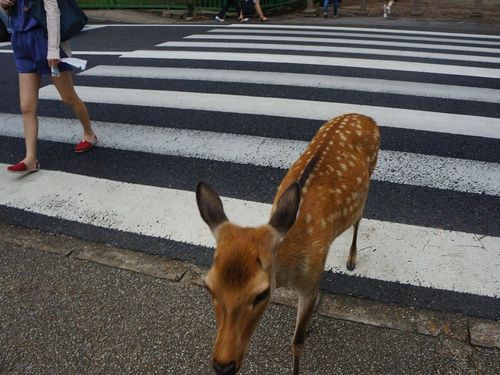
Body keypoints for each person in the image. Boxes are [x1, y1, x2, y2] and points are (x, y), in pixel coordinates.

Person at [0, 0, 97, 174]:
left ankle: (89, 133)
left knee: (68, 97)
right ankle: (30, 158)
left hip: (44, 41)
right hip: (21, 42)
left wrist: (53, 49)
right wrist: (4, 5)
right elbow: (12, 15)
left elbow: (53, 11)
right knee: (27, 106)